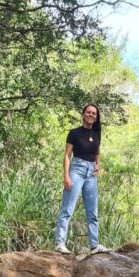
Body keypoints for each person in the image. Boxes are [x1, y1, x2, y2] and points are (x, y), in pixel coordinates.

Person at [55, 103, 109, 254]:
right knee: (67, 209)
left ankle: (94, 245)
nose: (91, 115)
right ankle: (60, 243)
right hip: (76, 170)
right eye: (89, 112)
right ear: (83, 114)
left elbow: (97, 152)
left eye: (94, 113)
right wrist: (66, 175)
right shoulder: (74, 133)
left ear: (96, 117)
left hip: (91, 173)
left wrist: (98, 165)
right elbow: (67, 155)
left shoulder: (97, 133)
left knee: (93, 212)